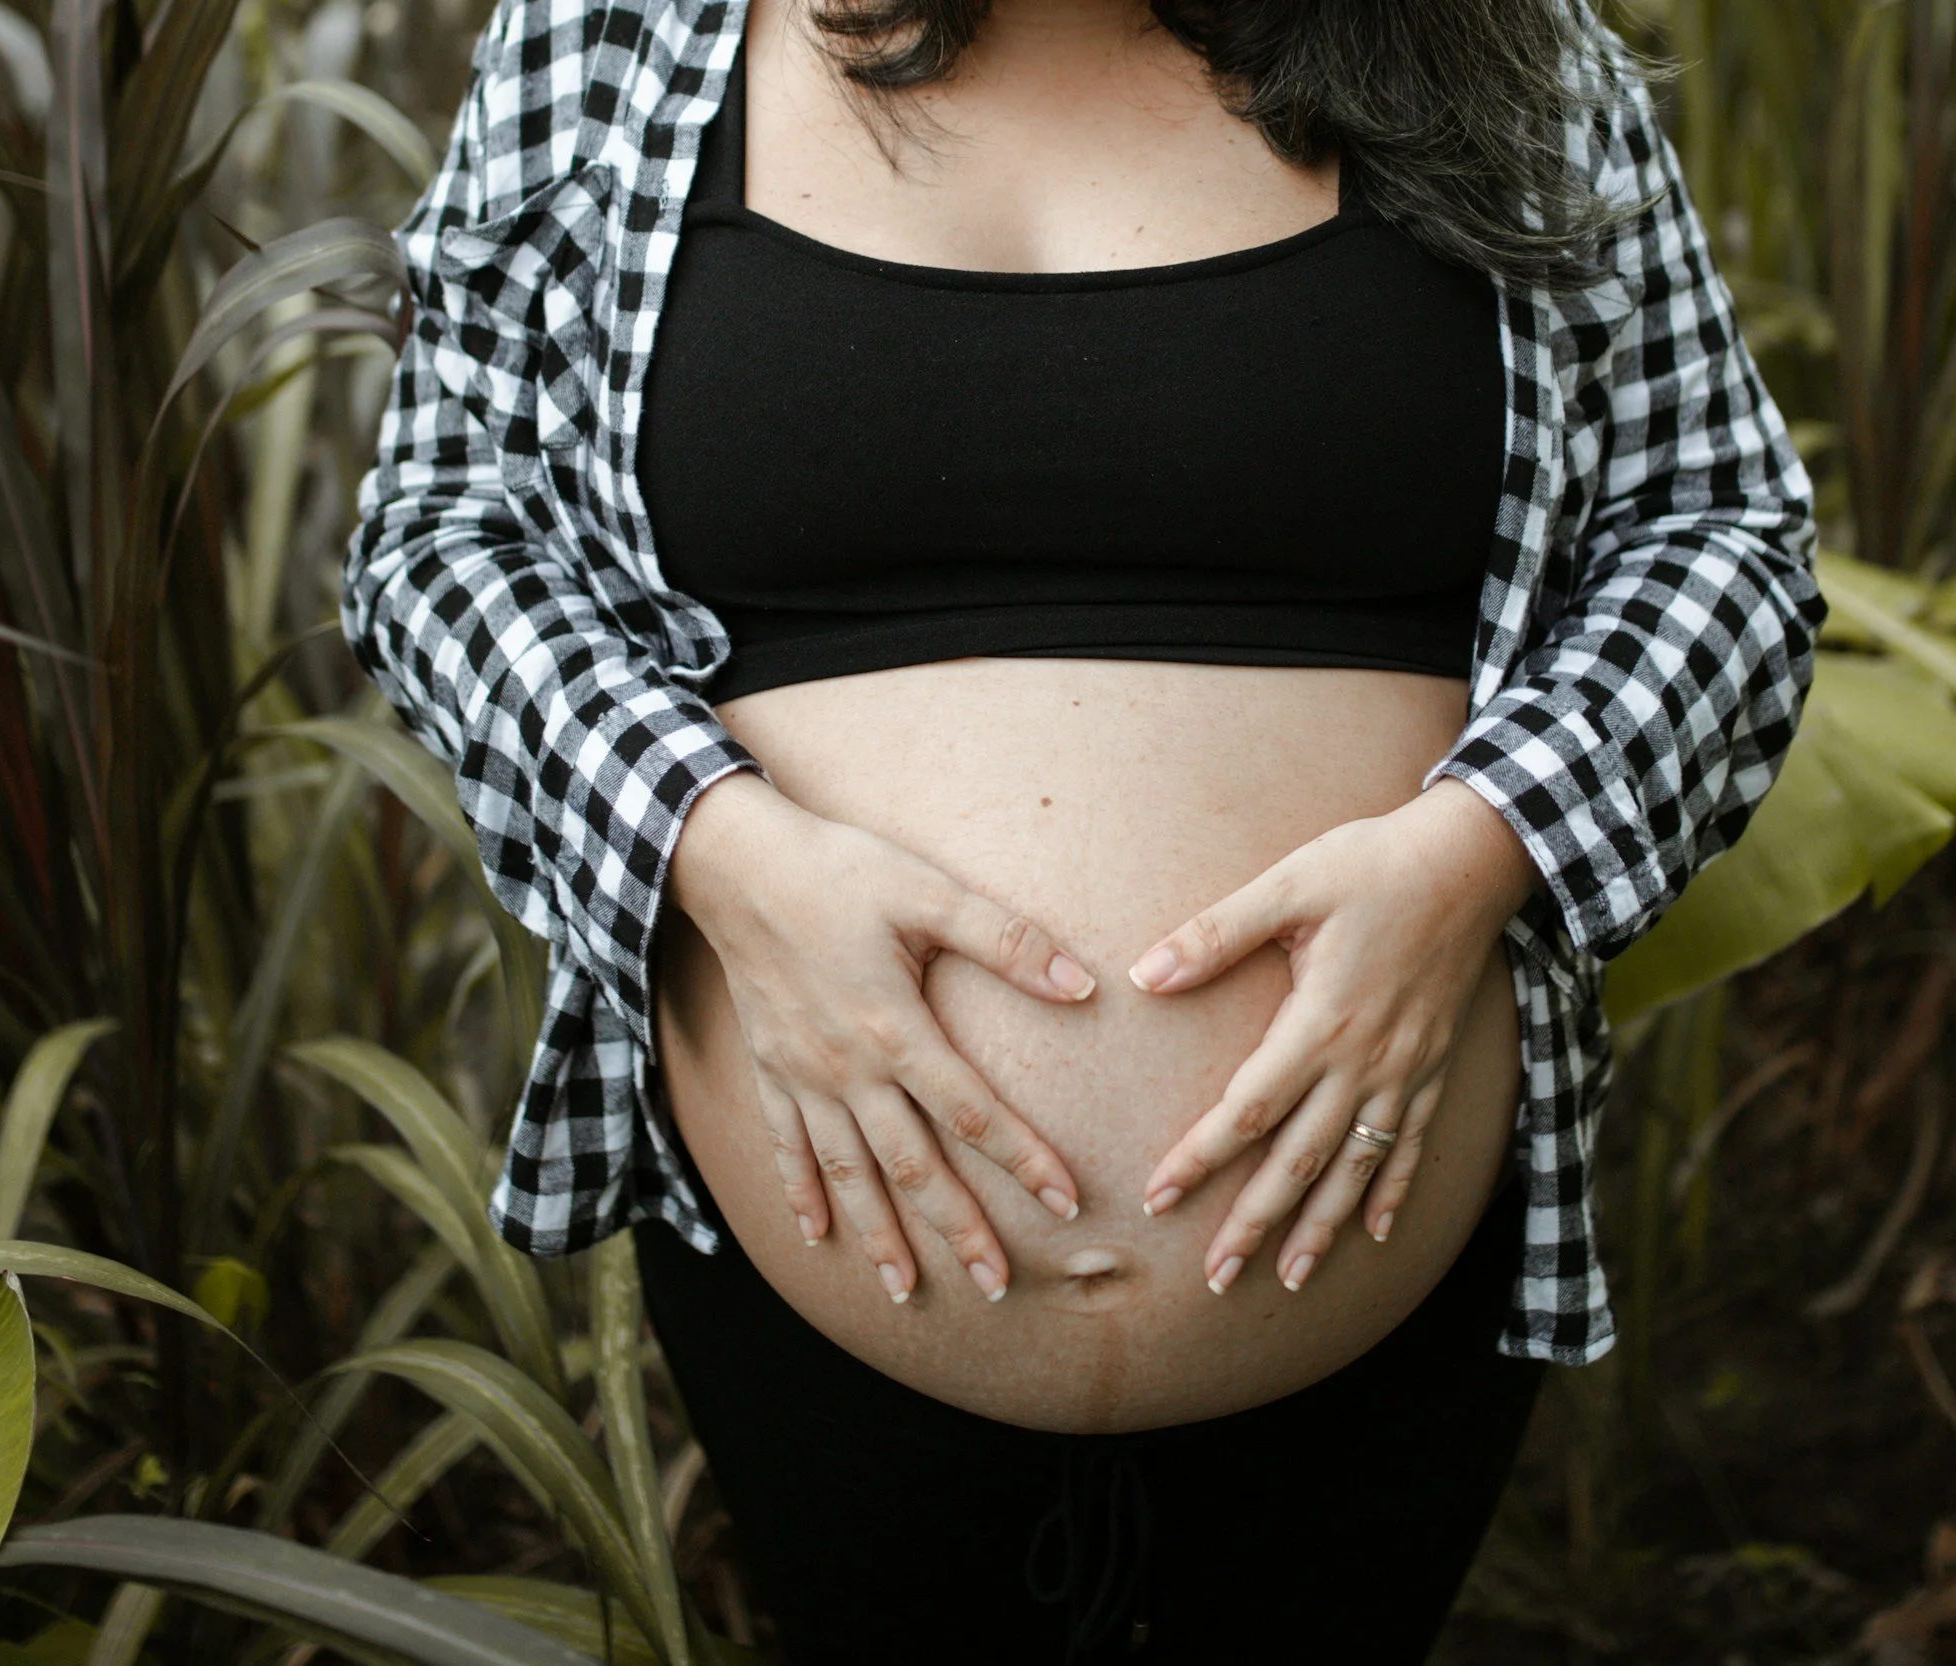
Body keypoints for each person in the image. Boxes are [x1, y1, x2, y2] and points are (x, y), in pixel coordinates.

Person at [344, 0, 1820, 1659]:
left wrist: (1480, 847)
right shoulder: (607, 40)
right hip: (822, 1259)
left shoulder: (1498, 48)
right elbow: (440, 525)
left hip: (1379, 1228)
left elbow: (1723, 527)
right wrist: (719, 854)